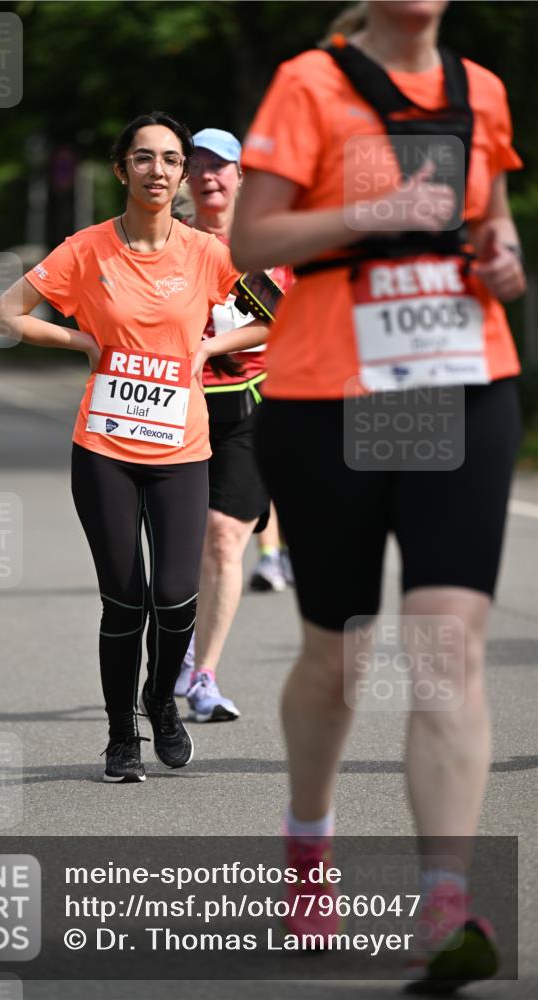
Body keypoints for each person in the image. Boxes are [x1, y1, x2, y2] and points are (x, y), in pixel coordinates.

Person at [231, 0, 525, 988]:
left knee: (447, 642)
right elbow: (251, 240)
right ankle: (307, 849)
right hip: (329, 401)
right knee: (339, 652)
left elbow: (492, 226)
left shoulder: (478, 89)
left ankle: (445, 903)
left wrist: (502, 258)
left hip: (460, 381)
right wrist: (372, 211)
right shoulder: (309, 82)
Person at [0, 112, 265, 783]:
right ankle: (121, 738)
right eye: (143, 158)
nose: (159, 171)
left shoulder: (208, 254)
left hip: (181, 448)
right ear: (121, 170)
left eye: (171, 159)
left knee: (174, 599)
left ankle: (159, 702)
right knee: (124, 599)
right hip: (104, 448)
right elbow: (4, 314)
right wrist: (80, 341)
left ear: (182, 176)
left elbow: (275, 321)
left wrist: (208, 346)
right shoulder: (85, 249)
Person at [173, 128, 292, 722]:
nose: (208, 175)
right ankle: (178, 640)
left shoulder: (266, 242)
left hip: (249, 405)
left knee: (224, 536)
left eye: (221, 166)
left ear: (242, 176)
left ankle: (204, 675)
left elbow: (287, 319)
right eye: (197, 165)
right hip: (173, 407)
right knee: (177, 541)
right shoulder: (166, 240)